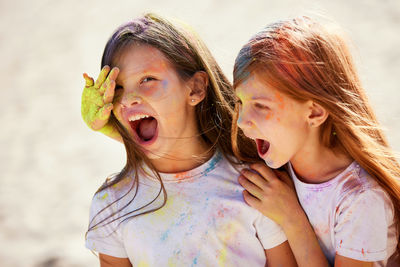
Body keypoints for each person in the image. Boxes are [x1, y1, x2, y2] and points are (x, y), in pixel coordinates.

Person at [81, 13, 297, 267]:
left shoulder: (256, 187)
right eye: (117, 88)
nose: (128, 99)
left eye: (147, 80)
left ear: (195, 89)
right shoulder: (113, 203)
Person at [233, 16, 400, 266]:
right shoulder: (276, 167)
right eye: (240, 103)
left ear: (314, 113)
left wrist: (292, 219)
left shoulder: (361, 199)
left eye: (260, 105)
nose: (242, 121)